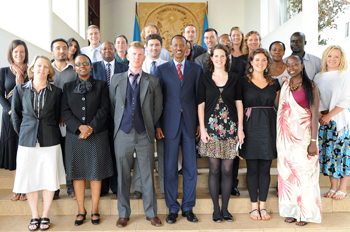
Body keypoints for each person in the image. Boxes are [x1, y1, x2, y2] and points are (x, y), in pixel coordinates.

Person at [110, 42, 163, 227]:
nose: (137, 57)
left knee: (147, 174)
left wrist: (148, 124)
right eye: (133, 54)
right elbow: (113, 106)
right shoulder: (116, 79)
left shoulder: (153, 80)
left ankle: (151, 213)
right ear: (127, 56)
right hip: (122, 134)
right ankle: (123, 213)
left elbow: (158, 108)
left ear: (144, 56)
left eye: (140, 54)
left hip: (144, 134)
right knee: (123, 175)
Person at [11, 55, 66, 231]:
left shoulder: (56, 92)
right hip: (27, 141)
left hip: (49, 140)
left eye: (45, 66)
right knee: (29, 179)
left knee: (49, 178)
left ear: (49, 71)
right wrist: (24, 134)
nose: (41, 69)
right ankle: (35, 215)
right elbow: (16, 116)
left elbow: (58, 116)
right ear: (32, 68)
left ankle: (46, 214)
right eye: (38, 66)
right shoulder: (20, 90)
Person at [155, 35, 203, 224]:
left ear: (187, 48)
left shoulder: (196, 69)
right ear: (171, 47)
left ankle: (188, 207)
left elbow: (200, 98)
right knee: (170, 167)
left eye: (182, 45)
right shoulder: (162, 69)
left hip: (190, 123)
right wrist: (158, 124)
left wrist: (200, 123)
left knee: (191, 167)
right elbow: (158, 100)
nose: (179, 48)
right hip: (169, 124)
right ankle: (173, 208)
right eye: (175, 45)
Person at [61, 54, 114, 226]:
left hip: (97, 135)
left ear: (91, 66)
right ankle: (81, 210)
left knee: (95, 172)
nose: (82, 66)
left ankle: (95, 209)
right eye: (78, 64)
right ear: (74, 67)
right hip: (75, 136)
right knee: (77, 174)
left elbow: (104, 108)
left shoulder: (101, 85)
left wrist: (90, 127)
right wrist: (80, 127)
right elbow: (65, 111)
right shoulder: (67, 87)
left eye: (85, 63)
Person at [198, 44, 244, 222]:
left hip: (231, 128)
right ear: (211, 58)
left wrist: (240, 128)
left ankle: (226, 209)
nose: (219, 59)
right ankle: (216, 210)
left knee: (227, 170)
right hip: (211, 130)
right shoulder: (204, 78)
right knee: (214, 169)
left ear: (227, 58)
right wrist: (202, 128)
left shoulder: (235, 78)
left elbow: (239, 103)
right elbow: (200, 104)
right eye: (216, 56)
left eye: (222, 56)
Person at [277, 54, 321, 226]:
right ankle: (291, 211)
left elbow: (315, 115)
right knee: (288, 176)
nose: (291, 67)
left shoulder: (310, 87)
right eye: (288, 65)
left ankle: (305, 213)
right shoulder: (285, 84)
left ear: (302, 66)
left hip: (304, 139)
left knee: (304, 175)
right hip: (286, 140)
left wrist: (313, 142)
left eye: (295, 64)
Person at [240, 48, 280, 220]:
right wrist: (240, 129)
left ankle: (263, 206)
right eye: (257, 60)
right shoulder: (242, 82)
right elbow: (238, 106)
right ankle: (253, 207)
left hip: (269, 128)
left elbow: (280, 106)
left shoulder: (275, 83)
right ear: (251, 62)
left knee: (265, 168)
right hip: (250, 127)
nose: (260, 63)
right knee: (252, 168)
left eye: (263, 60)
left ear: (267, 63)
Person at [130, 34, 167, 199]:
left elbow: (162, 99)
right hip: (139, 119)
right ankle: (138, 187)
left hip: (162, 118)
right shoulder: (138, 64)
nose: (154, 48)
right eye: (151, 45)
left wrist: (156, 123)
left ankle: (165, 188)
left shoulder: (167, 66)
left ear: (161, 47)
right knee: (140, 155)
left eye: (157, 45)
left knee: (163, 154)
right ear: (146, 47)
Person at [91, 41, 128, 197]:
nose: (107, 51)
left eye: (109, 48)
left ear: (115, 50)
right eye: (103, 48)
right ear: (100, 52)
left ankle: (117, 186)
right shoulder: (94, 68)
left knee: (117, 152)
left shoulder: (124, 68)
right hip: (99, 116)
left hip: (119, 116)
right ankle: (103, 186)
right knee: (101, 151)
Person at [314, 45, 350, 200]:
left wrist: (330, 115)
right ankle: (333, 187)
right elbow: (317, 99)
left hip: (339, 120)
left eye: (336, 56)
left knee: (342, 154)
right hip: (324, 121)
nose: (332, 59)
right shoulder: (318, 77)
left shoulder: (345, 75)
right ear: (325, 58)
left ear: (341, 59)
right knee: (329, 155)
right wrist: (321, 114)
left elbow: (346, 99)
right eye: (330, 56)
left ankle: (343, 187)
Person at [0, 40, 29, 201]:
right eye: (16, 51)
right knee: (13, 152)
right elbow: (0, 95)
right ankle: (17, 186)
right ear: (11, 53)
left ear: (26, 54)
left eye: (22, 52)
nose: (19, 54)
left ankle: (25, 187)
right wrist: (10, 110)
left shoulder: (31, 71)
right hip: (10, 117)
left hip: (27, 118)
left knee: (25, 151)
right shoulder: (4, 72)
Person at [51, 38, 77, 200]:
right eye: (58, 48)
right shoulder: (47, 69)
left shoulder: (73, 71)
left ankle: (70, 187)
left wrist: (66, 114)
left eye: (64, 48)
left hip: (68, 119)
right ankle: (54, 189)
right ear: (52, 52)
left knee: (69, 154)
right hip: (50, 121)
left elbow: (74, 96)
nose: (61, 51)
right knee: (53, 155)